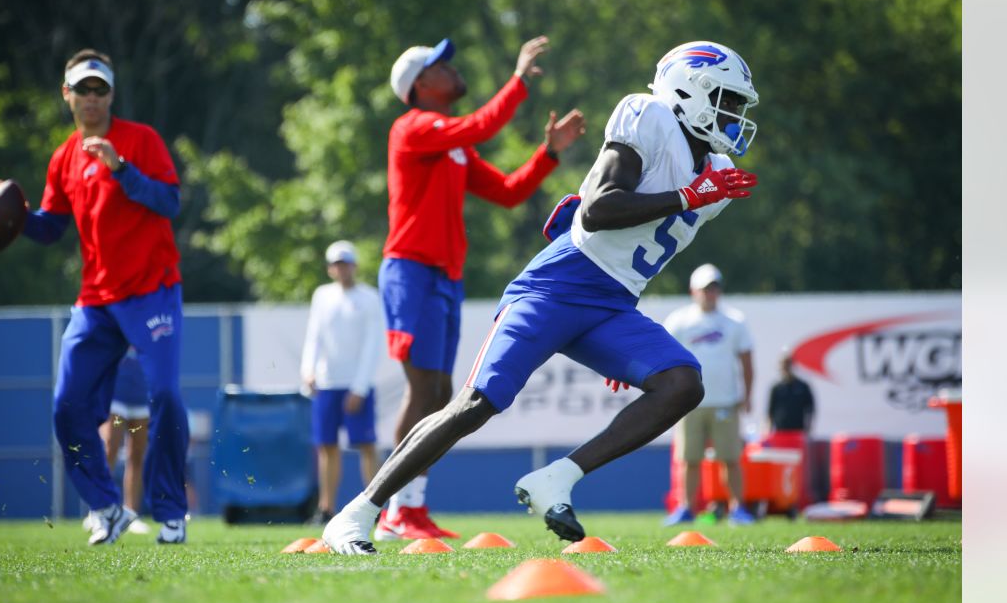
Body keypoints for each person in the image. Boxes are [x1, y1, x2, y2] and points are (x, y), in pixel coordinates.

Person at [323, 40, 760, 553]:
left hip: (614, 300)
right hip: (558, 284)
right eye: (726, 100)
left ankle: (559, 478)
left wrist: (626, 336)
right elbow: (598, 210)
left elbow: (637, 249)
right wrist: (687, 196)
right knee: (476, 402)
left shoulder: (717, 176)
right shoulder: (649, 115)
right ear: (691, 88)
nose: (732, 115)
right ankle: (359, 512)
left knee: (682, 382)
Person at [374, 35, 586, 541]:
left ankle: (412, 507)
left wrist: (548, 154)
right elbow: (481, 124)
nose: (451, 69)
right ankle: (390, 508)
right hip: (411, 271)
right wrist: (516, 82)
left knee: (443, 393)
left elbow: (509, 193)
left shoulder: (451, 146)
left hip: (443, 277)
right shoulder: (414, 127)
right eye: (440, 66)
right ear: (420, 85)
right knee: (423, 390)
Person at [0, 49, 190, 545]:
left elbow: (170, 202)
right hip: (96, 300)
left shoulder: (141, 140)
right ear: (67, 95)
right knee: (66, 405)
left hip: (151, 290)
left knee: (164, 395)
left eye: (100, 90)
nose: (92, 98)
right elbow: (52, 229)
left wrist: (122, 170)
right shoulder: (63, 158)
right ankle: (105, 506)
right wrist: (8, 216)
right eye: (83, 89)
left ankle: (171, 511)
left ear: (111, 95)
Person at [663, 264, 756, 525]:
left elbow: (747, 361)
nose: (710, 293)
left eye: (714, 288)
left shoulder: (734, 321)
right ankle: (686, 508)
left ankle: (738, 508)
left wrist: (748, 396)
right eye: (705, 288)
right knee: (689, 459)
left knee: (730, 458)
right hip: (690, 403)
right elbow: (666, 359)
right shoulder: (679, 321)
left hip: (725, 401)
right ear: (694, 291)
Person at [300, 241, 386, 525]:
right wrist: (308, 371)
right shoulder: (322, 296)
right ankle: (326, 508)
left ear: (355, 266)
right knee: (327, 446)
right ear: (330, 269)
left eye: (347, 263)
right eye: (337, 264)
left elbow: (373, 344)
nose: (343, 268)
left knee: (366, 445)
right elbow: (314, 335)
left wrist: (359, 387)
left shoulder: (370, 297)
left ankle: (374, 507)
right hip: (327, 383)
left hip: (356, 385)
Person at [90, 346, 152, 535]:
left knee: (137, 455)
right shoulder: (118, 320)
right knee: (110, 449)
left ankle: (130, 514)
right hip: (115, 396)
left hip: (141, 397)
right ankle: (98, 510)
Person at [767, 349, 815, 433]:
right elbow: (770, 412)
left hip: (798, 432)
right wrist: (768, 432)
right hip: (780, 432)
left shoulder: (803, 386)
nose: (786, 367)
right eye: (783, 364)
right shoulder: (776, 387)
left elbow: (810, 410)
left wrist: (808, 430)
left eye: (788, 364)